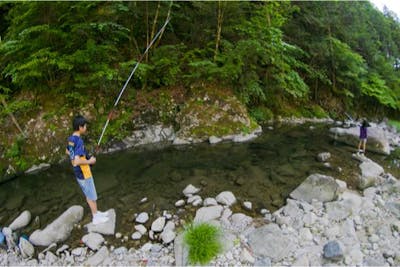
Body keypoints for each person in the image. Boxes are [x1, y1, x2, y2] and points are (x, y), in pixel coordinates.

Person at [66, 115, 109, 225]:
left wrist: (85, 156)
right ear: (80, 127)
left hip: (78, 172)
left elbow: (68, 152)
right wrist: (90, 161)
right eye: (85, 126)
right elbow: (77, 161)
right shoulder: (79, 141)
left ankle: (96, 212)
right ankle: (95, 217)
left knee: (89, 193)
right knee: (91, 195)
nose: (86, 128)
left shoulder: (71, 139)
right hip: (84, 172)